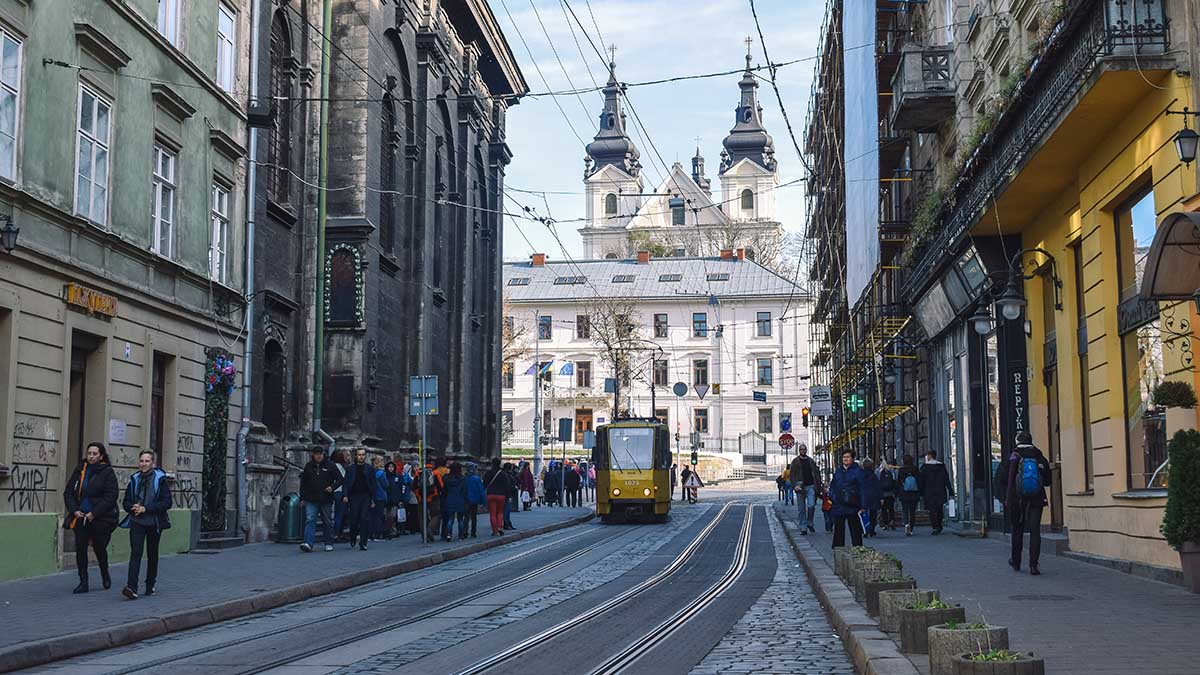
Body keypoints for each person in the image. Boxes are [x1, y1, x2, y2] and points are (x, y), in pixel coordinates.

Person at [63, 442, 119, 593]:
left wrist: (95, 513)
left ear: (101, 456)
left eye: (95, 454)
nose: (91, 456)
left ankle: (105, 573)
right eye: (89, 453)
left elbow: (111, 496)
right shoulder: (81, 469)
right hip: (81, 516)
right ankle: (83, 582)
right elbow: (68, 492)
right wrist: (74, 510)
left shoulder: (107, 472)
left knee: (99, 548)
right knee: (80, 548)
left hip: (100, 518)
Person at [996, 431, 1052, 575]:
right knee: (1035, 531)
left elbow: (1002, 479)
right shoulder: (1039, 457)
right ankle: (1033, 565)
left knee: (1017, 530)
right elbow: (1048, 481)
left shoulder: (1013, 457)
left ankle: (1016, 562)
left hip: (1017, 499)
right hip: (1037, 499)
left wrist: (1006, 497)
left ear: (1017, 441)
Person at [120, 450, 172, 600]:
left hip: (154, 522)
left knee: (152, 554)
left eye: (147, 461)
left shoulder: (160, 480)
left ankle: (150, 585)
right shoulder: (134, 479)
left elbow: (167, 502)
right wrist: (133, 507)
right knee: (135, 553)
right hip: (137, 522)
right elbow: (126, 501)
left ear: (153, 463)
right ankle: (132, 587)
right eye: (141, 461)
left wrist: (146, 508)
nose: (143, 464)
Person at [299, 446, 342, 552]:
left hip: (326, 498)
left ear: (323, 454)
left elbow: (340, 479)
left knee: (327, 521)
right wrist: (302, 497)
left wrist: (332, 487)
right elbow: (303, 483)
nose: (318, 456)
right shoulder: (308, 466)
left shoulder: (330, 465)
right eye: (316, 454)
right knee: (310, 520)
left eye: (320, 454)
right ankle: (308, 543)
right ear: (313, 455)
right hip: (311, 498)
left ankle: (328, 542)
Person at [341, 448, 378, 550]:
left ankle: (363, 542)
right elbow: (346, 483)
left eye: (363, 455)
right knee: (354, 519)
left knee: (364, 518)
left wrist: (373, 499)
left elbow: (374, 485)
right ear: (356, 456)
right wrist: (345, 495)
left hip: (366, 496)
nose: (361, 457)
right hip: (354, 496)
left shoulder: (369, 469)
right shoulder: (351, 468)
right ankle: (353, 536)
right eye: (359, 455)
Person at [829, 449, 866, 548]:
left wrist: (863, 505)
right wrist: (832, 496)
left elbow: (862, 488)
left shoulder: (858, 471)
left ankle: (858, 548)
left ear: (853, 459)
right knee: (839, 528)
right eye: (844, 457)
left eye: (848, 457)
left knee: (855, 528)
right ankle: (838, 548)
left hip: (852, 504)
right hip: (839, 503)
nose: (845, 459)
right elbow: (833, 485)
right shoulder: (838, 470)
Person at [789, 444, 823, 534]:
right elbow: (791, 475)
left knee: (811, 505)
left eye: (804, 449)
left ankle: (810, 522)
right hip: (800, 487)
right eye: (801, 449)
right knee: (801, 509)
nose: (803, 451)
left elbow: (816, 473)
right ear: (799, 450)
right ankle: (803, 527)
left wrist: (819, 485)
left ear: (806, 450)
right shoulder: (795, 461)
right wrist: (794, 485)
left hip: (811, 486)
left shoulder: (810, 461)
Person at [920, 450, 954, 534]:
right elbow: (946, 479)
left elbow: (921, 481)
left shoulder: (924, 467)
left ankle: (934, 527)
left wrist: (921, 492)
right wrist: (950, 491)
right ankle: (939, 525)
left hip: (929, 491)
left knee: (931, 510)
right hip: (940, 490)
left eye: (927, 455)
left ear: (930, 456)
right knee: (939, 509)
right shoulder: (941, 466)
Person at [483, 458, 512, 536]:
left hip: (491, 495)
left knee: (492, 514)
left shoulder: (488, 473)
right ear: (499, 464)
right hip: (501, 495)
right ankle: (499, 527)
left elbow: (485, 485)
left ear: (492, 463)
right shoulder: (503, 474)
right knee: (500, 512)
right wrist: (508, 496)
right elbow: (507, 486)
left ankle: (495, 530)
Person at [441, 463, 468, 541]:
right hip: (460, 499)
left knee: (450, 519)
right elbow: (464, 491)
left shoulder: (446, 478)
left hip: (449, 499)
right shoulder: (463, 479)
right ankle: (461, 536)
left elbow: (444, 491)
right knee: (460, 519)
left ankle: (449, 535)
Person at [897, 454, 922, 536]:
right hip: (914, 493)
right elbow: (919, 481)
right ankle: (911, 528)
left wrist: (897, 492)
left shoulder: (901, 470)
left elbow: (898, 482)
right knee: (912, 511)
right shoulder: (915, 469)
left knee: (905, 510)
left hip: (904, 493)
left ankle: (906, 523)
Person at [383, 461, 404, 538]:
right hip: (386, 499)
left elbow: (402, 487)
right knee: (386, 516)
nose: (391, 468)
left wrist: (401, 498)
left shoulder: (398, 476)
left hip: (395, 499)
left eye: (392, 467)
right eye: (389, 467)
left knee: (393, 516)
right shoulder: (384, 476)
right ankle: (388, 530)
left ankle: (393, 530)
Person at [330, 450, 349, 540]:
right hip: (339, 491)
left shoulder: (336, 466)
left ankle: (338, 532)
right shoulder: (338, 466)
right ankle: (337, 533)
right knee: (339, 513)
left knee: (340, 513)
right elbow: (343, 480)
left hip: (337, 491)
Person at [861, 459, 881, 537]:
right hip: (873, 497)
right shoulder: (873, 475)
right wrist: (881, 497)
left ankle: (865, 530)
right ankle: (872, 530)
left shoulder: (860, 475)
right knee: (873, 514)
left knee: (864, 514)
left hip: (863, 497)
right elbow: (878, 487)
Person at [370, 455, 388, 541]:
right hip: (380, 496)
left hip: (372, 496)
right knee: (379, 515)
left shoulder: (371, 472)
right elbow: (385, 485)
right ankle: (378, 534)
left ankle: (371, 534)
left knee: (372, 516)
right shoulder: (381, 473)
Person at [465, 462, 485, 538]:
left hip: (466, 499)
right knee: (474, 517)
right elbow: (481, 490)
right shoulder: (477, 479)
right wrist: (483, 501)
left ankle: (464, 532)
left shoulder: (465, 478)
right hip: (474, 500)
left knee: (466, 517)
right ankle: (473, 532)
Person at [877, 460, 898, 532]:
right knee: (891, 508)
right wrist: (895, 493)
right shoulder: (892, 472)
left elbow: (878, 483)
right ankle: (892, 521)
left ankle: (885, 524)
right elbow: (895, 482)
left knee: (884, 509)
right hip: (891, 494)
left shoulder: (879, 472)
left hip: (883, 494)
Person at [503, 462, 519, 529]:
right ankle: (506, 523)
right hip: (507, 494)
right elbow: (509, 485)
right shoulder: (508, 475)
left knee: (502, 510)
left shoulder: (503, 473)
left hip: (501, 493)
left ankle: (502, 524)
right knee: (506, 510)